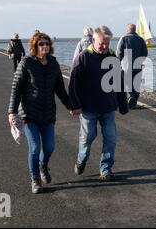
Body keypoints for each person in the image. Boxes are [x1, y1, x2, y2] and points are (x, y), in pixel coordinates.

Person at [8, 30, 70, 194]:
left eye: (47, 43)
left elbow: (60, 90)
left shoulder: (54, 64)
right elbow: (16, 89)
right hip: (29, 113)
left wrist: (71, 106)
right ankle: (35, 179)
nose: (45, 46)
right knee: (35, 147)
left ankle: (43, 165)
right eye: (41, 44)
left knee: (49, 146)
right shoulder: (26, 63)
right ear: (35, 46)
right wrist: (12, 112)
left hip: (48, 114)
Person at [69, 26, 128, 181]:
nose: (104, 47)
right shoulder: (83, 57)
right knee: (88, 136)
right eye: (102, 43)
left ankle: (106, 169)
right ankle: (81, 160)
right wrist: (75, 105)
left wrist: (123, 104)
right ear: (93, 40)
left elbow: (120, 82)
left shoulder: (113, 57)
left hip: (108, 107)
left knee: (111, 138)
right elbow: (73, 83)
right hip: (88, 108)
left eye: (107, 44)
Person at [116, 23, 148, 109]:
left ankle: (130, 96)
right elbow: (145, 53)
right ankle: (134, 102)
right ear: (135, 30)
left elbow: (119, 52)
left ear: (127, 30)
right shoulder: (141, 39)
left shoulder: (123, 38)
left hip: (126, 65)